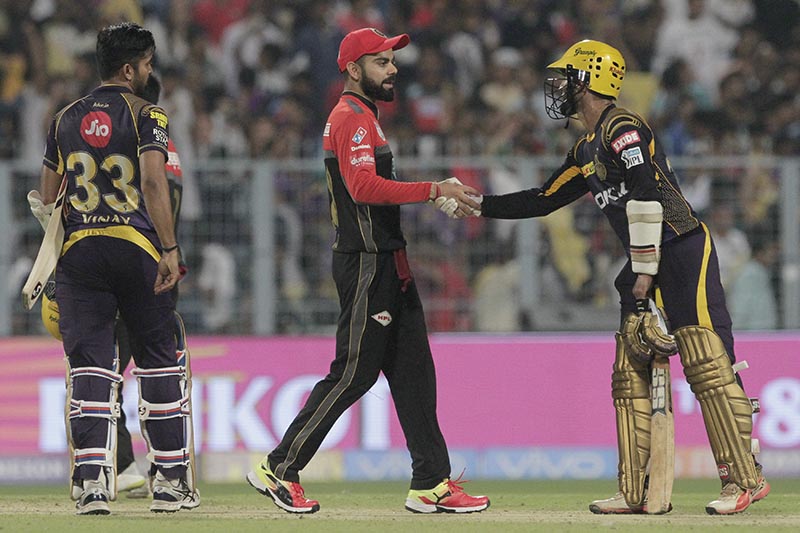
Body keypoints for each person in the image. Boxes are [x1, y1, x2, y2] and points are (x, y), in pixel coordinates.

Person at [472, 40, 769, 515]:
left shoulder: (622, 127)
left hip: (681, 248)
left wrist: (645, 270)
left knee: (707, 364)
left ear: (588, 81)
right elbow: (542, 198)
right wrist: (479, 204)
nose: (559, 89)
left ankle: (743, 479)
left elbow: (648, 191)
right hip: (645, 259)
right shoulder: (586, 148)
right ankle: (636, 490)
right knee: (629, 369)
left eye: (566, 79)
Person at [246, 27, 489, 515]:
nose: (393, 68)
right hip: (366, 264)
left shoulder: (364, 118)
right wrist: (434, 189)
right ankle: (279, 466)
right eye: (381, 61)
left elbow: (371, 186)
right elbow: (362, 187)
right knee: (354, 373)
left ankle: (431, 483)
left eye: (392, 60)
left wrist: (427, 194)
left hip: (387, 261)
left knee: (415, 373)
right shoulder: (351, 118)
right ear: (354, 70)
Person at [32, 23, 198, 515]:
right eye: (146, 64)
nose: (150, 72)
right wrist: (169, 248)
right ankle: (168, 482)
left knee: (90, 369)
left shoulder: (63, 118)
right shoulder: (149, 114)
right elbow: (153, 181)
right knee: (157, 361)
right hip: (137, 250)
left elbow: (47, 198)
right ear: (130, 68)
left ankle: (91, 486)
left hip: (80, 254)